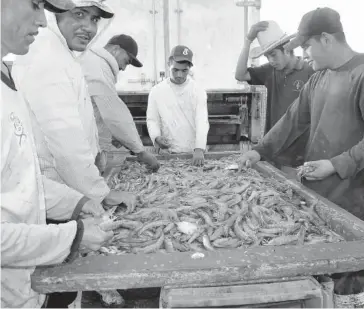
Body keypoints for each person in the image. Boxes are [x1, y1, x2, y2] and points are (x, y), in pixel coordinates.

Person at [238, 7, 364, 294]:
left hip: (353, 199)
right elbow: (292, 120)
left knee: (349, 278)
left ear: (326, 39)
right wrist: (260, 151)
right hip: (317, 194)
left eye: (307, 46)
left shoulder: (360, 75)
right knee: (321, 274)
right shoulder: (318, 79)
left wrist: (335, 163)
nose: (305, 54)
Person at [1, 0, 114, 307]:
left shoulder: (8, 79)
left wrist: (76, 203)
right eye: (36, 5)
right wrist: (72, 236)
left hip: (24, 272)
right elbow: (66, 145)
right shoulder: (45, 59)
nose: (42, 19)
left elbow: (20, 177)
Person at [12, 0, 136, 208]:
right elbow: (65, 140)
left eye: (94, 19)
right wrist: (101, 192)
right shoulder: (47, 56)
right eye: (79, 14)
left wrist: (94, 155)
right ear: (56, 12)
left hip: (62, 187)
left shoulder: (61, 53)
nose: (89, 27)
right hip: (51, 190)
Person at [80, 34, 160, 171]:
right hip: (84, 149)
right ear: (116, 49)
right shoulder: (98, 67)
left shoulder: (95, 62)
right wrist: (140, 151)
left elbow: (95, 109)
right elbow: (114, 113)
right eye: (126, 61)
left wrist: (114, 135)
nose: (123, 68)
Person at [147, 45, 209, 166]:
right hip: (166, 153)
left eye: (184, 70)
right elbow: (152, 120)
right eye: (175, 70)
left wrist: (199, 148)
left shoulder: (198, 91)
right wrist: (157, 138)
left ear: (190, 68)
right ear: (168, 64)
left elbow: (202, 121)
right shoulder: (156, 91)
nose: (179, 75)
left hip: (192, 153)